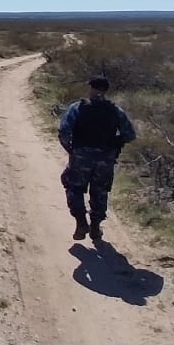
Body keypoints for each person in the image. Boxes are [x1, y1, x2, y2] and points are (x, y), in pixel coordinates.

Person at [58, 75, 136, 241]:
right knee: (100, 191)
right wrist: (114, 143)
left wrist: (71, 150)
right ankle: (95, 227)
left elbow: (64, 131)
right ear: (106, 90)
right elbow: (129, 134)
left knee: (73, 187)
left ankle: (81, 223)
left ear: (90, 87)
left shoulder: (77, 108)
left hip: (81, 157)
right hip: (105, 158)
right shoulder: (115, 110)